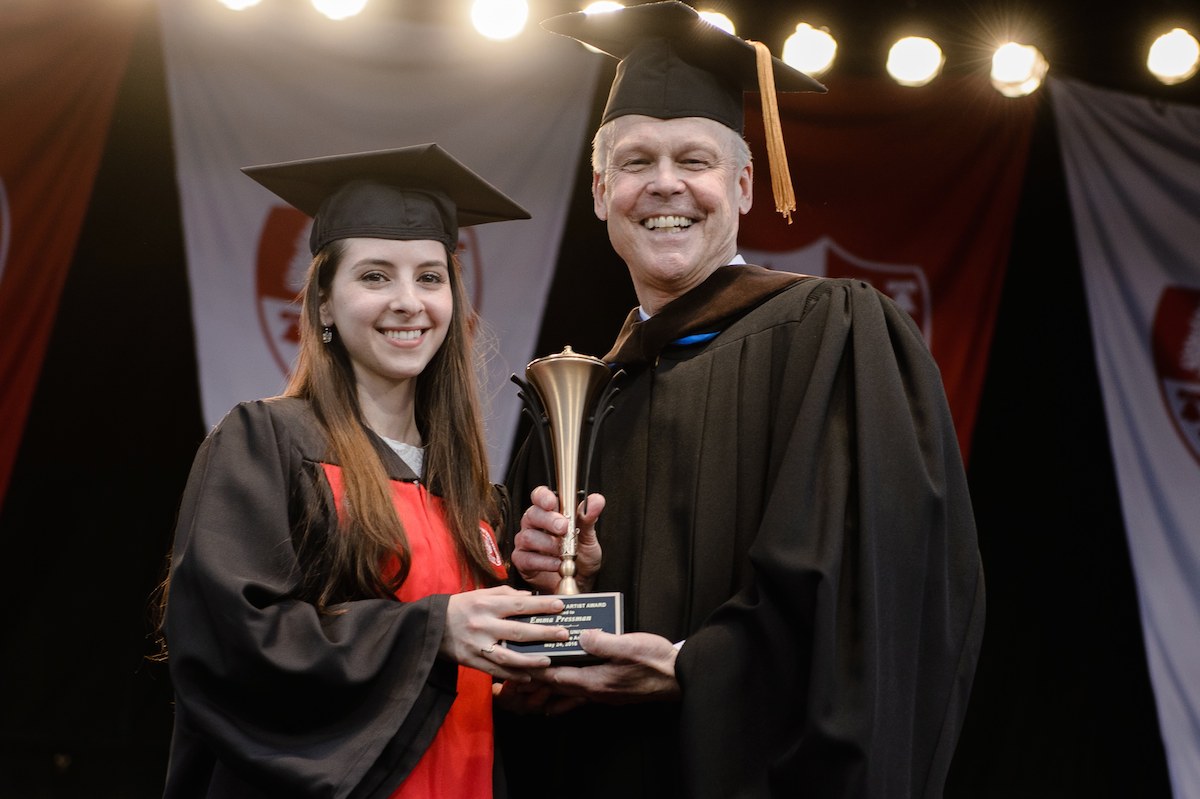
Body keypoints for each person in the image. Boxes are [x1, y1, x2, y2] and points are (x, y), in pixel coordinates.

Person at [496, 3, 985, 798]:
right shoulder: (584, 393)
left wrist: (696, 667)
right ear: (598, 191)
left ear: (744, 185)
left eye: (694, 159)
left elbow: (879, 591)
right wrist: (547, 589)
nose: (664, 185)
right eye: (635, 162)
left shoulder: (832, 334)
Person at [158, 143, 574, 799]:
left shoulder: (469, 494)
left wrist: (547, 618)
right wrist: (430, 630)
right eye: (375, 276)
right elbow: (230, 647)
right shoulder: (267, 443)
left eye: (430, 277)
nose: (408, 301)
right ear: (323, 302)